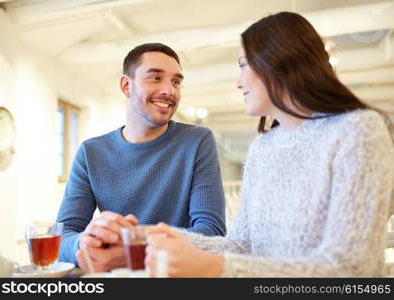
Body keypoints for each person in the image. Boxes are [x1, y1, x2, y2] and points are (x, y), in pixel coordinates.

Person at [145, 12, 394, 277]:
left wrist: (215, 267)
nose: (238, 82)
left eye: (243, 65)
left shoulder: (358, 130)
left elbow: (352, 268)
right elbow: (242, 245)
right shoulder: (262, 149)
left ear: (277, 61)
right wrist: (150, 236)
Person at [56, 43, 226, 272]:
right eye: (156, 78)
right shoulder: (90, 152)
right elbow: (61, 236)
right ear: (127, 86)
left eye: (176, 81)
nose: (170, 91)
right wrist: (85, 241)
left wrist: (131, 245)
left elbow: (212, 233)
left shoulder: (197, 141)